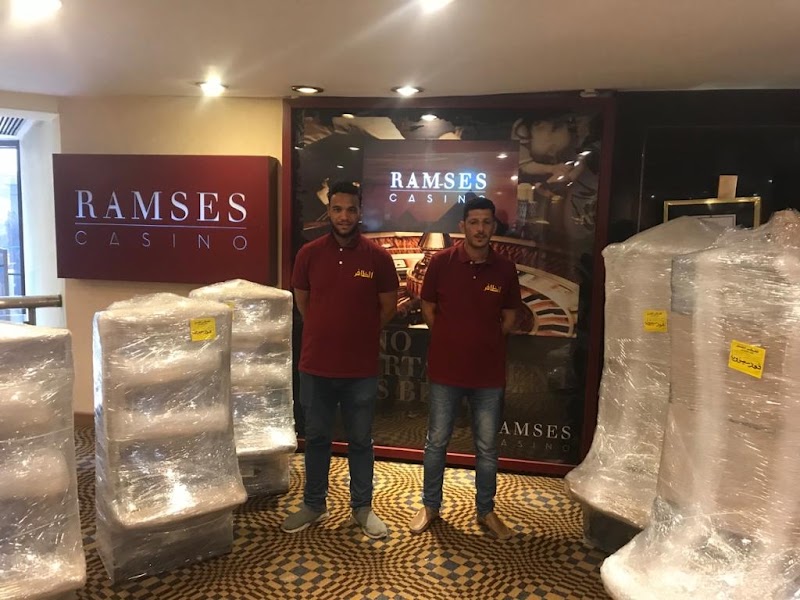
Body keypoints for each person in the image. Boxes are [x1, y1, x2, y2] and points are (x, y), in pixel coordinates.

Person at [282, 181, 399, 539]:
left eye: (350, 209)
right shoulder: (309, 254)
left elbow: (388, 308)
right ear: (329, 212)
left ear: (360, 213)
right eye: (337, 209)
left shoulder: (378, 258)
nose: (344, 216)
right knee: (317, 438)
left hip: (360, 369)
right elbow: (303, 302)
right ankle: (314, 504)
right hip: (316, 366)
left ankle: (362, 508)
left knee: (360, 441)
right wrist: (327, 330)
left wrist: (358, 333)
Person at [409, 196, 521, 540]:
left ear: (494, 227)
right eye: (474, 222)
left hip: (488, 375)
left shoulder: (505, 268)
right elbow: (428, 307)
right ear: (463, 226)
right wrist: (450, 338)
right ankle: (430, 505)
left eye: (486, 222)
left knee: (486, 448)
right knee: (436, 442)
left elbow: (510, 317)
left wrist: (484, 341)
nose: (480, 229)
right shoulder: (441, 263)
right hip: (446, 371)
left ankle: (486, 511)